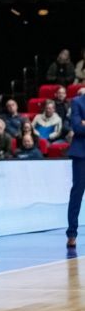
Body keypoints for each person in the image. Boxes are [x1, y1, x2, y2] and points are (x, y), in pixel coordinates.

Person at [66, 88, 85, 248]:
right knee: (77, 194)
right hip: (81, 154)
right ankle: (72, 233)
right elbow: (78, 128)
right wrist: (82, 124)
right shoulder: (77, 102)